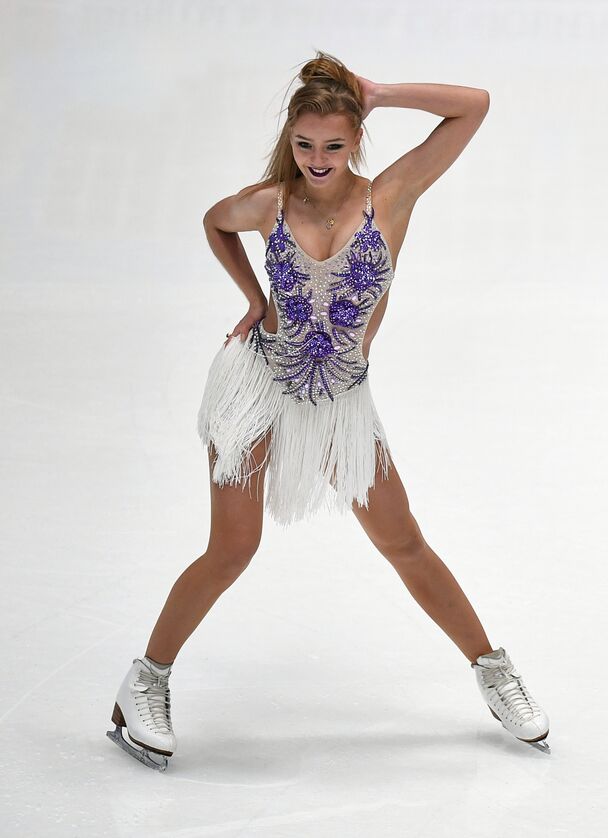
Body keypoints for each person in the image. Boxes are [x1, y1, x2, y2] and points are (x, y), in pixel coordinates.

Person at [106, 52, 550, 771]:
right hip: (257, 384)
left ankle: (495, 672)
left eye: (335, 145)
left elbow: (475, 103)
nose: (318, 159)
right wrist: (254, 299)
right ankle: (144, 683)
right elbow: (215, 222)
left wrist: (380, 91)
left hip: (342, 397)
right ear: (291, 139)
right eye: (306, 144)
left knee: (403, 543)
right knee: (233, 548)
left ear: (357, 141)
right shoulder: (268, 202)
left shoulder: (393, 195)